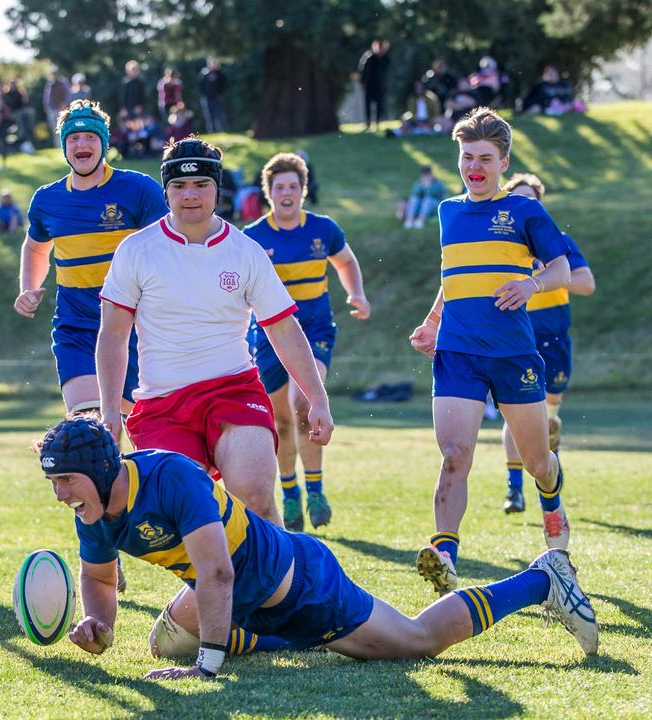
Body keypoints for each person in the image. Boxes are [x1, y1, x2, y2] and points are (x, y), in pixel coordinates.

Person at [36, 416, 598, 681]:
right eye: (55, 483)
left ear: (100, 470)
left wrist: (207, 670)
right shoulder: (94, 509)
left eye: (65, 481)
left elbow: (218, 576)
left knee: (416, 643)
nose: (60, 495)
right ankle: (263, 637)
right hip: (238, 590)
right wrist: (97, 622)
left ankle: (542, 579)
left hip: (299, 584)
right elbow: (102, 578)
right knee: (163, 648)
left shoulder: (171, 479)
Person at [97, 137, 331, 530]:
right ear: (165, 189)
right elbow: (114, 335)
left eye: (201, 185)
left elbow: (283, 327)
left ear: (217, 189)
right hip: (163, 404)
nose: (190, 195)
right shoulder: (137, 250)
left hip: (233, 391)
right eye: (179, 186)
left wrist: (318, 398)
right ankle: (205, 592)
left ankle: (281, 586)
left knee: (256, 496)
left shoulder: (245, 251)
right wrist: (109, 412)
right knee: (185, 515)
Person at [408, 108, 571, 595]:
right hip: (457, 351)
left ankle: (551, 504)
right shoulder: (448, 211)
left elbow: (561, 269)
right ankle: (445, 555)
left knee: (537, 460)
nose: (473, 166)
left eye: (484, 158)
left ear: (503, 162)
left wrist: (531, 284)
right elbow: (452, 276)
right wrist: (433, 321)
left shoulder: (525, 212)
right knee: (455, 454)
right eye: (466, 157)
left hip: (512, 354)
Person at [15, 100, 167, 418]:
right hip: (76, 328)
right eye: (73, 138)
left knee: (141, 427)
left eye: (90, 137)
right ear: (64, 146)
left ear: (104, 144)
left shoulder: (138, 189)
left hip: (135, 328)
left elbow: (167, 249)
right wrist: (28, 288)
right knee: (89, 424)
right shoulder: (47, 200)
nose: (82, 144)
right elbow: (35, 247)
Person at [243, 151, 369, 532]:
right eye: (279, 187)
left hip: (313, 331)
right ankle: (291, 491)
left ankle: (315, 489)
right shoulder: (252, 238)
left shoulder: (323, 229)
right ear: (269, 193)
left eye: (293, 186)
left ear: (303, 191)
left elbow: (345, 262)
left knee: (304, 403)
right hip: (267, 336)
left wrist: (357, 294)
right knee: (280, 422)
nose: (287, 193)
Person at [499, 173, 594, 513]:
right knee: (518, 414)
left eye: (532, 200)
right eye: (519, 199)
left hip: (554, 340)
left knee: (548, 415)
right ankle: (514, 491)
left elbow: (586, 283)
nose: (526, 206)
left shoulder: (557, 241)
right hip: (518, 339)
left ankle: (549, 464)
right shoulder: (502, 245)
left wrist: (544, 277)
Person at [357, 39, 390, 131]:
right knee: (368, 104)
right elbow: (362, 71)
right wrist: (362, 83)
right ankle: (368, 122)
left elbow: (386, 68)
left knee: (379, 105)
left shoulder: (383, 58)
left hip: (379, 86)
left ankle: (377, 122)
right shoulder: (368, 57)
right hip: (369, 85)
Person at [198, 58, 228, 134]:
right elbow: (200, 86)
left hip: (218, 98)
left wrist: (220, 94)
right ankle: (211, 132)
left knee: (220, 116)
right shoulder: (204, 73)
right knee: (209, 117)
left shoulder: (220, 73)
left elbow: (224, 85)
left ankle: (223, 131)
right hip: (207, 98)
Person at [43, 71, 69, 144]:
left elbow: (67, 95)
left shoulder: (63, 83)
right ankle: (58, 145)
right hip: (51, 109)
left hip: (60, 109)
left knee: (62, 127)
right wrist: (46, 107)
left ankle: (64, 143)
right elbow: (46, 97)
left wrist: (64, 104)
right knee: (54, 129)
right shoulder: (49, 84)